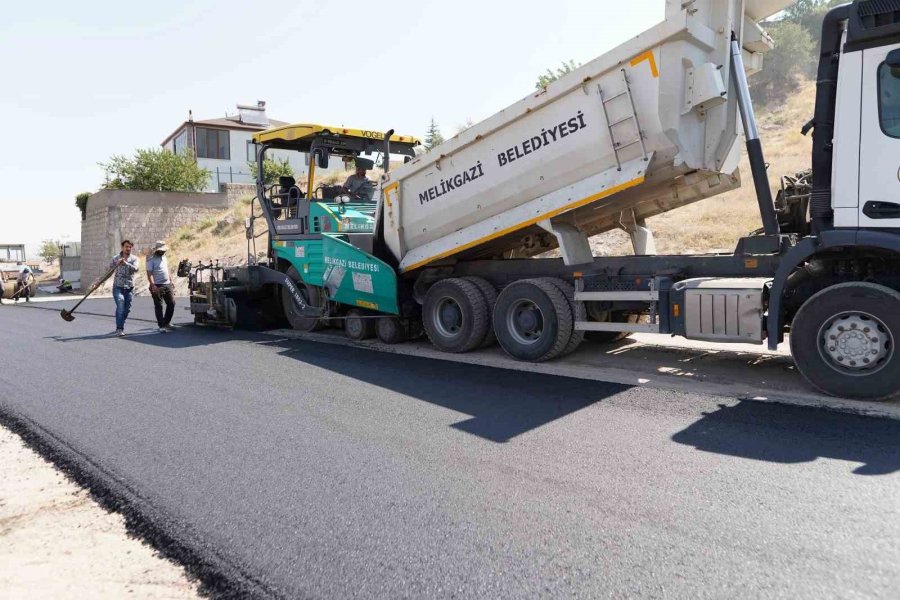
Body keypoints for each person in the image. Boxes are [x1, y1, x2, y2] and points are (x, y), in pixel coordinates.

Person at [111, 240, 139, 337]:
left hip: (129, 288)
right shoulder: (115, 258)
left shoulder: (134, 259)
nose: (128, 249)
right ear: (122, 247)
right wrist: (98, 283)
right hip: (117, 287)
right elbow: (109, 271)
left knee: (127, 310)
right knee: (121, 305)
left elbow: (136, 269)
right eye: (126, 246)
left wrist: (125, 263)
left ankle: (121, 321)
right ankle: (119, 328)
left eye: (130, 247)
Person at [146, 240, 175, 333]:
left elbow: (166, 269)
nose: (163, 252)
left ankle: (166, 322)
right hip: (157, 285)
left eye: (164, 250)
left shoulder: (164, 257)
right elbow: (149, 273)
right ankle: (161, 325)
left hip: (167, 283)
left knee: (171, 303)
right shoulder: (150, 259)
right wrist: (152, 284)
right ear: (157, 250)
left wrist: (171, 280)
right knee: (159, 306)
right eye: (161, 250)